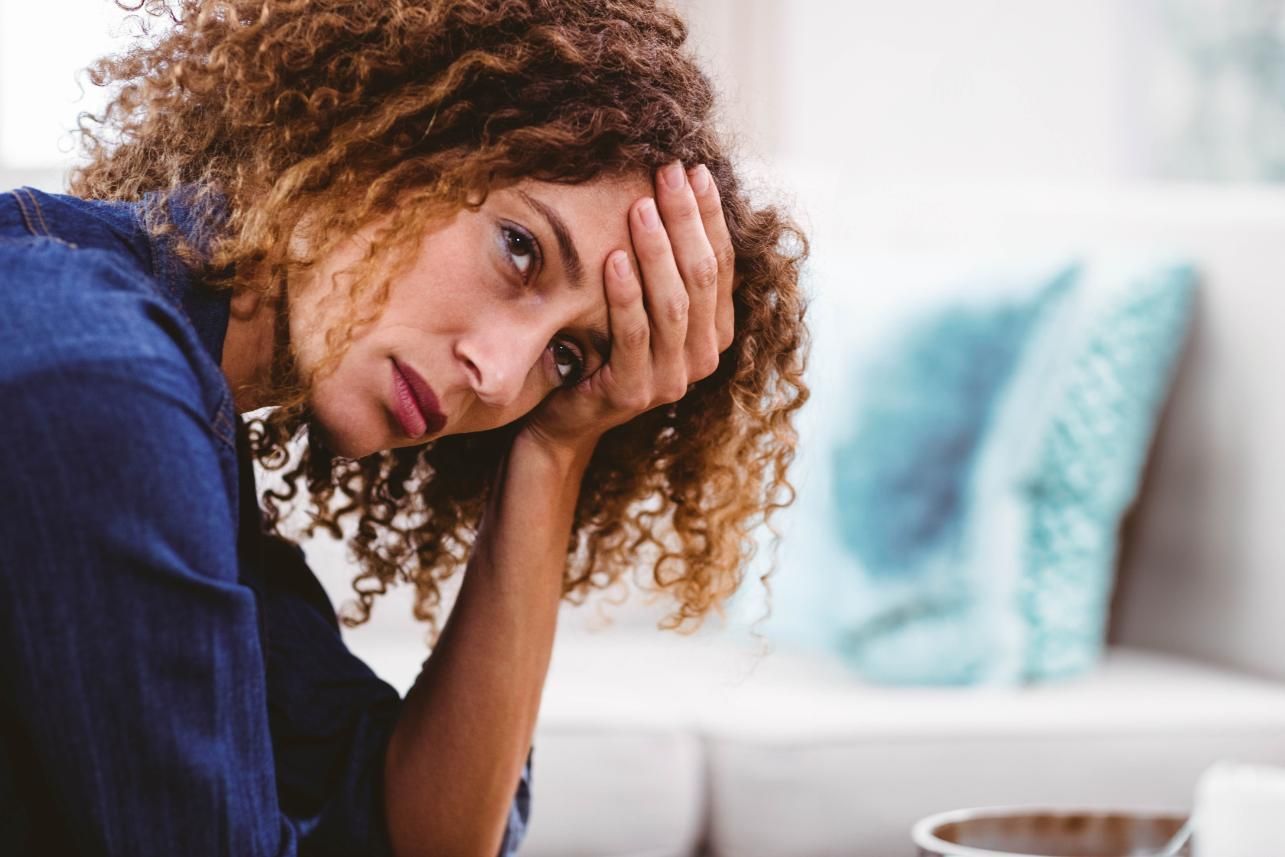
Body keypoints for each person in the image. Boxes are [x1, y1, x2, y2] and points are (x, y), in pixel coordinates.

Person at [0, 0, 808, 854]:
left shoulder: (171, 394)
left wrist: (555, 445)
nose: (501, 375)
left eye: (567, 356)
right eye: (520, 249)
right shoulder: (100, 383)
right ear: (388, 145)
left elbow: (408, 831)